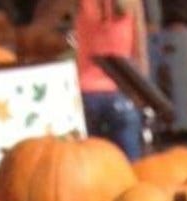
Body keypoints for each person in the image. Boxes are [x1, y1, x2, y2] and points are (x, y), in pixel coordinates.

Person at [32, 0, 149, 161]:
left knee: (88, 166)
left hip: (84, 93)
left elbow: (42, 30)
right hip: (123, 92)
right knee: (129, 169)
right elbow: (140, 53)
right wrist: (142, 98)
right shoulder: (132, 3)